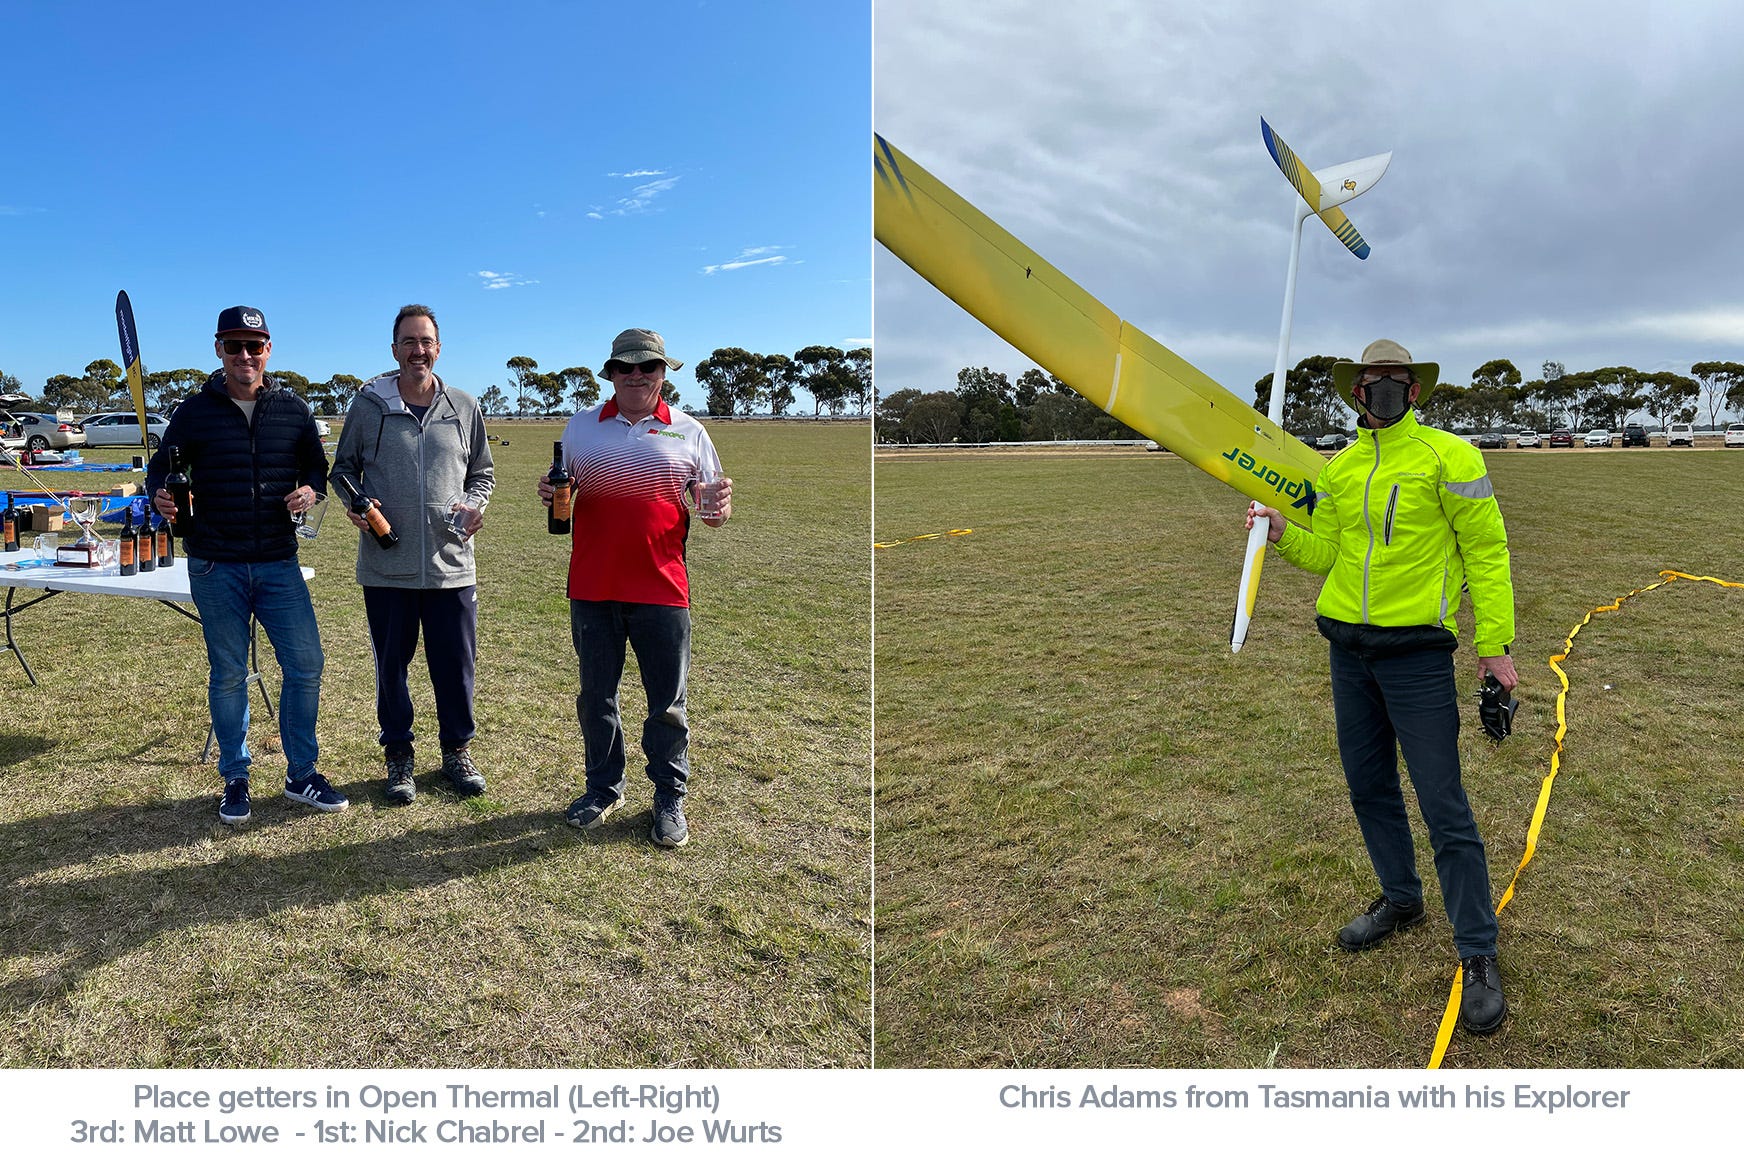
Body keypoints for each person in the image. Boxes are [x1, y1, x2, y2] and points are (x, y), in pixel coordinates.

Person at [1247, 338, 1517, 1036]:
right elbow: (1333, 552)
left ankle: (1478, 952)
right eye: (1373, 382)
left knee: (1442, 801)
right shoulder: (1340, 467)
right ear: (1356, 394)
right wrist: (1280, 532)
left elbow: (1487, 550)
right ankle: (1402, 899)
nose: (1384, 390)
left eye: (1396, 381)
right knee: (1368, 786)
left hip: (1418, 655)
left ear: (1414, 391)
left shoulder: (1449, 458)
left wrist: (1496, 646)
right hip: (1348, 649)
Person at [146, 306, 343, 825]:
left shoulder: (293, 409)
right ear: (219, 350)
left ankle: (302, 774)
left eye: (254, 345)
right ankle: (235, 776)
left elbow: (316, 469)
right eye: (234, 345)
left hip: (278, 561)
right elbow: (159, 472)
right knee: (229, 673)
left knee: (306, 664)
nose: (245, 355)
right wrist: (161, 496)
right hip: (216, 564)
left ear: (268, 349)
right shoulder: (193, 411)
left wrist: (310, 489)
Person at [538, 328, 732, 848]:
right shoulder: (580, 429)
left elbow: (710, 510)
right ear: (611, 373)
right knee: (596, 696)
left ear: (664, 372)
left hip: (663, 589)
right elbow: (566, 492)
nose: (637, 375)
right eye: (626, 367)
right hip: (592, 587)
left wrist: (719, 508)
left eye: (648, 366)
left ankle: (669, 796)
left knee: (666, 702)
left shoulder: (690, 432)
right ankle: (603, 788)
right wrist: (550, 491)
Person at [329, 305, 495, 804]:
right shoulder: (369, 406)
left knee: (455, 667)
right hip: (387, 569)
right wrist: (357, 505)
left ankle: (456, 753)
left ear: (438, 348)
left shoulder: (464, 407)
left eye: (426, 341)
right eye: (408, 341)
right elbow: (342, 471)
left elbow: (482, 473)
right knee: (391, 670)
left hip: (451, 569)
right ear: (394, 349)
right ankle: (399, 756)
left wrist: (476, 504)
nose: (417, 350)